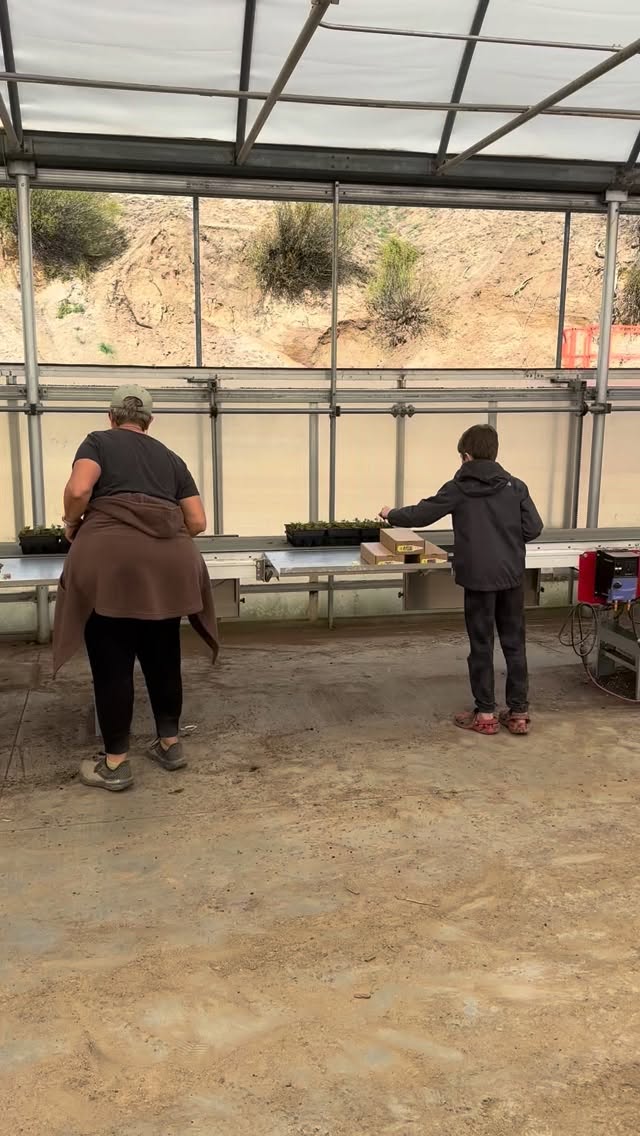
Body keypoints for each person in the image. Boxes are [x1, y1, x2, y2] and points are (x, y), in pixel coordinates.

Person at [53, 385, 218, 791]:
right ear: (150, 421)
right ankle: (170, 745)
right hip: (170, 567)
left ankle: (115, 764)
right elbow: (197, 521)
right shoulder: (171, 458)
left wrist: (72, 522)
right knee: (163, 655)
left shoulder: (98, 442)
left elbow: (79, 490)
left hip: (111, 564)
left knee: (113, 660)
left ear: (111, 416)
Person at [380, 424, 542, 736]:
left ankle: (485, 715)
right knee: (514, 644)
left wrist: (391, 513)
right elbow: (534, 528)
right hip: (511, 577)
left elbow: (422, 514)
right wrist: (506, 539)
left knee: (481, 645)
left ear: (466, 456)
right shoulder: (515, 487)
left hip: (478, 580)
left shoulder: (458, 488)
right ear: (494, 453)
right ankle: (519, 713)